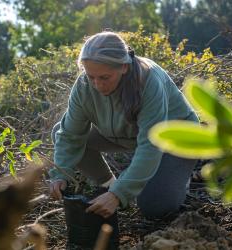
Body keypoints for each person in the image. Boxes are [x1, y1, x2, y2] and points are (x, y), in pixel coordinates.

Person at [49, 31, 199, 219]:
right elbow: (70, 135)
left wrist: (119, 195)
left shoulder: (148, 81)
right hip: (131, 137)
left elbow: (150, 145)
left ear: (124, 67)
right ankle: (107, 184)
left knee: (155, 207)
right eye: (91, 76)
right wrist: (60, 174)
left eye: (104, 77)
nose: (97, 85)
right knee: (59, 131)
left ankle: (179, 176)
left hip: (176, 139)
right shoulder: (84, 86)